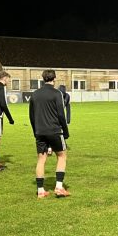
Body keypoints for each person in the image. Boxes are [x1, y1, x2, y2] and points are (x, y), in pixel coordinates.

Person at [29, 70, 70, 198]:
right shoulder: (57, 93)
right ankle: (58, 187)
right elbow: (61, 115)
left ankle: (40, 190)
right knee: (62, 156)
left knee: (41, 159)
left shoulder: (35, 94)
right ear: (54, 79)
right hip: (54, 130)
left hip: (40, 131)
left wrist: (35, 131)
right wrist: (65, 131)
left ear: (43, 79)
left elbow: (31, 116)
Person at [46, 85, 71, 156]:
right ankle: (50, 147)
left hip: (60, 116)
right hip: (52, 116)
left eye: (63, 94)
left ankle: (60, 144)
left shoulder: (67, 96)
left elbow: (68, 108)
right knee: (53, 131)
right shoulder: (54, 95)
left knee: (60, 131)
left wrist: (68, 119)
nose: (62, 95)